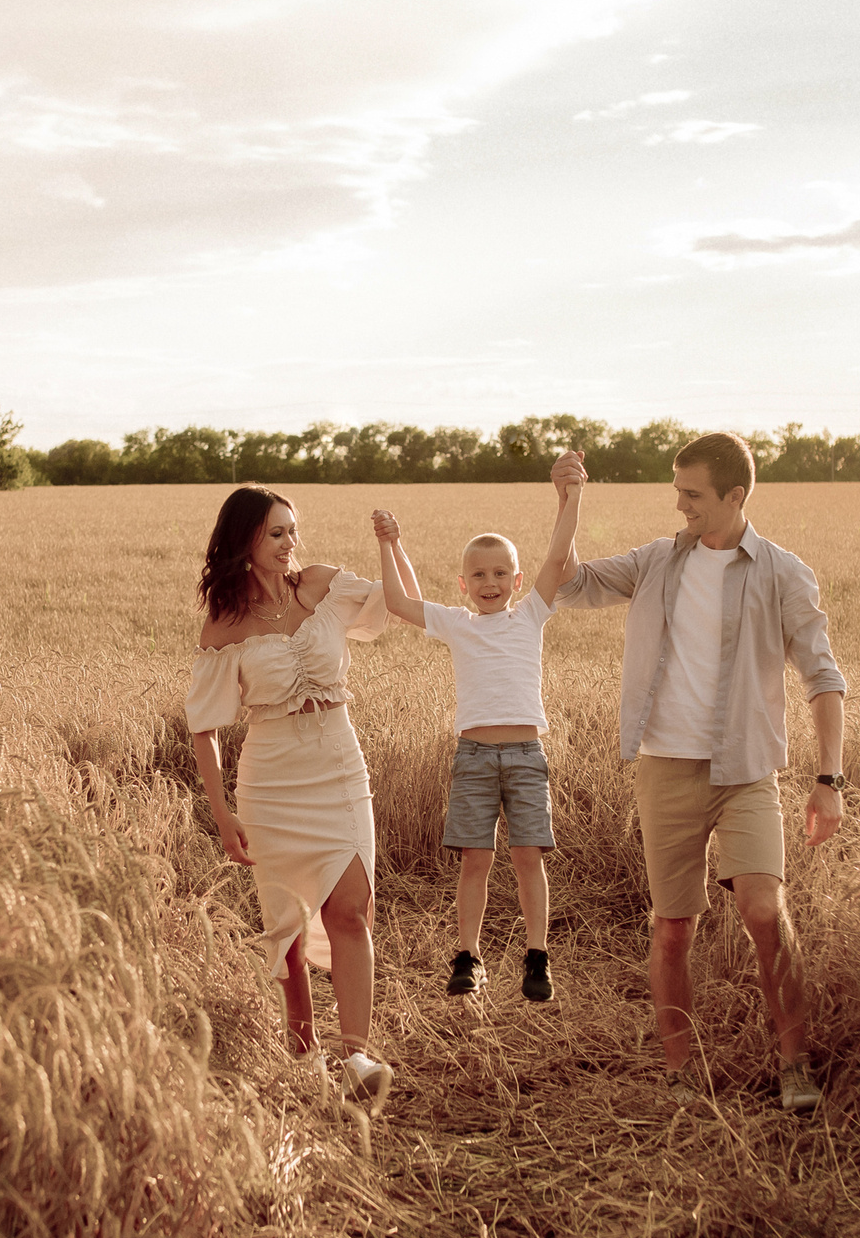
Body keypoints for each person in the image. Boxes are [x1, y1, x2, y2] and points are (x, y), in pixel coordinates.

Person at [549, 435, 847, 1111]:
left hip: (746, 771)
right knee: (672, 926)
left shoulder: (782, 572)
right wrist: (569, 502)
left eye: (692, 494)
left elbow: (824, 677)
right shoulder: (656, 561)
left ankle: (795, 1062)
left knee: (764, 909)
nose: (678, 504)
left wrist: (829, 781)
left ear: (734, 497)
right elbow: (567, 584)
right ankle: (682, 1072)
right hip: (666, 769)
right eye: (677, 490)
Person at [185, 485, 413, 1109]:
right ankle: (304, 1054)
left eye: (293, 530)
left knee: (350, 909)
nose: (291, 544)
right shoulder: (225, 624)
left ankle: (357, 1055)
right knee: (284, 926)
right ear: (245, 543)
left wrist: (391, 545)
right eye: (277, 533)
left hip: (339, 769)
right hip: (272, 781)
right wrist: (221, 811)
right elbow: (202, 726)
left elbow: (399, 603)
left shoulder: (322, 587)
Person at [368, 469, 580, 1003]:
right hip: (475, 756)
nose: (490, 583)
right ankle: (468, 955)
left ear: (516, 578)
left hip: (528, 754)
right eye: (479, 575)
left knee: (529, 855)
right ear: (463, 585)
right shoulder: (457, 622)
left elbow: (558, 558)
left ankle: (537, 956)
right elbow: (397, 603)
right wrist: (390, 543)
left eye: (501, 573)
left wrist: (569, 497)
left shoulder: (532, 614)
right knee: (475, 860)